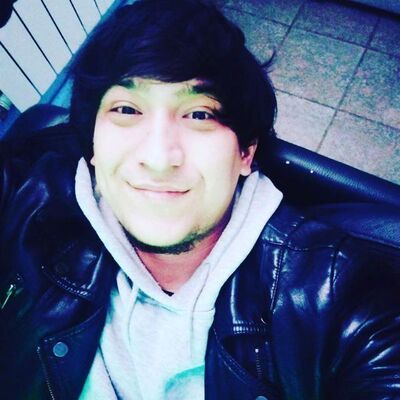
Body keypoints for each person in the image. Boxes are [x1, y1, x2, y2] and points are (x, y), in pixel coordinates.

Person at [0, 0, 399, 399]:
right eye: (126, 109)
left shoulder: (337, 293)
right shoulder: (27, 204)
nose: (159, 159)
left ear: (246, 152)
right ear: (92, 145)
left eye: (199, 115)